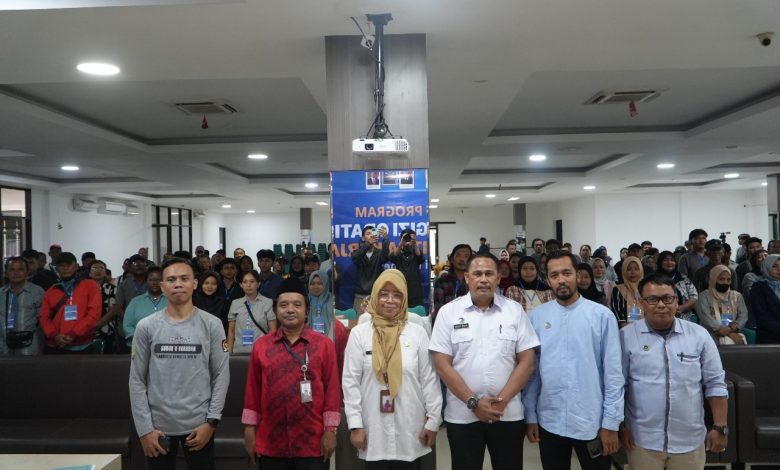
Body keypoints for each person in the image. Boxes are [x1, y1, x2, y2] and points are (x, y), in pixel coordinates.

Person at [429, 253, 539, 470]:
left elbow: (527, 361)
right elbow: (442, 364)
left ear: (498, 278)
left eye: (489, 274)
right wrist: (474, 403)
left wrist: (501, 401)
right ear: (467, 278)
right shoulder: (448, 313)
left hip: (507, 414)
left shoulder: (514, 311)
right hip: (462, 416)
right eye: (477, 274)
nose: (483, 279)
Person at [522, 251, 624, 470]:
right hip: (550, 419)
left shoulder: (601, 316)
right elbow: (532, 373)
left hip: (591, 420)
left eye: (566, 273)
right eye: (554, 275)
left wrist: (611, 422)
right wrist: (530, 415)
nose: (561, 280)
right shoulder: (537, 317)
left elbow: (614, 374)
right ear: (548, 279)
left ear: (577, 275)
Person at [129, 257, 229, 470]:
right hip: (157, 428)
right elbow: (136, 379)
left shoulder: (212, 324)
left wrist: (211, 422)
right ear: (162, 286)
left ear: (194, 283)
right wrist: (145, 430)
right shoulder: (146, 326)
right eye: (171, 279)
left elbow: (221, 375)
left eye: (184, 278)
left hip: (199, 425)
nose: (178, 284)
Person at [620, 274, 729, 468]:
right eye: (653, 299)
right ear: (641, 303)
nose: (661, 305)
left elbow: (715, 383)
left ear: (676, 301)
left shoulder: (698, 335)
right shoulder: (626, 337)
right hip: (642, 440)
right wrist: (619, 426)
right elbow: (618, 385)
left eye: (667, 298)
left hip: (689, 440)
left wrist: (720, 427)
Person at [343, 270, 442, 468]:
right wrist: (355, 425)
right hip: (373, 428)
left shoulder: (417, 333)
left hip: (410, 426)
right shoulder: (359, 334)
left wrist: (433, 421)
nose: (390, 300)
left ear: (404, 299)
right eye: (384, 294)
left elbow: (430, 380)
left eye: (397, 295)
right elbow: (350, 382)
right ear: (375, 296)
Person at [242, 278, 341, 469]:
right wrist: (249, 429)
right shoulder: (261, 346)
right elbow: (253, 391)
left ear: (307, 310)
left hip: (312, 441)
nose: (290, 310)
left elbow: (332, 391)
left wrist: (330, 430)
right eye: (283, 305)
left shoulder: (324, 345)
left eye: (297, 305)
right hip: (271, 441)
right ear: (275, 310)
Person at [39, 252, 102, 354]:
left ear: (76, 266)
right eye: (61, 265)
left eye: (68, 264)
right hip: (55, 345)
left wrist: (73, 334)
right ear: (57, 268)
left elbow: (94, 314)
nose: (65, 268)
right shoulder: (51, 290)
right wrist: (54, 335)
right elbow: (44, 317)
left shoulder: (90, 286)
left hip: (82, 346)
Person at [1, 257, 45, 356]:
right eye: (12, 270)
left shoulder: (37, 292)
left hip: (29, 348)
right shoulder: (1, 294)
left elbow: (43, 322)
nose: (16, 273)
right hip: (4, 349)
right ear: (6, 273)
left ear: (27, 272)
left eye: (20, 269)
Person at [694, 265, 748, 345]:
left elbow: (743, 315)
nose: (725, 282)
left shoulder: (736, 296)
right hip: (710, 334)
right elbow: (706, 318)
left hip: (734, 330)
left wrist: (731, 328)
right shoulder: (703, 296)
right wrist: (729, 333)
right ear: (713, 279)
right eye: (721, 279)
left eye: (728, 280)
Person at [227, 270, 275, 353]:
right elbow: (231, 332)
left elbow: (273, 331)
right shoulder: (235, 303)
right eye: (245, 282)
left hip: (261, 352)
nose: (248, 285)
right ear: (241, 285)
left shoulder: (267, 302)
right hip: (239, 352)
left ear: (258, 284)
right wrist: (228, 353)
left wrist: (271, 352)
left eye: (252, 281)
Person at [112, 253, 150, 352]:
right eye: (135, 263)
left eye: (142, 262)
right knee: (127, 359)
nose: (139, 265)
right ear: (129, 267)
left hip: (150, 329)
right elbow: (118, 308)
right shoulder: (123, 285)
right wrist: (129, 322)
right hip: (127, 331)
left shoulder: (152, 283)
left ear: (146, 265)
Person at [123, 267, 168, 348]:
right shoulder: (135, 301)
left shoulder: (171, 301)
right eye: (151, 280)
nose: (154, 283)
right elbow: (127, 326)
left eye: (158, 279)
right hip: (138, 346)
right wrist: (141, 339)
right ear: (146, 282)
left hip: (165, 346)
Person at [352, 226, 390, 311]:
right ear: (363, 238)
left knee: (377, 318)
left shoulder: (379, 253)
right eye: (368, 234)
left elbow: (385, 256)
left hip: (376, 294)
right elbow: (355, 259)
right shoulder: (356, 253)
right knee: (359, 318)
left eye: (372, 233)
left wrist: (385, 238)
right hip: (360, 295)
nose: (371, 236)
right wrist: (368, 243)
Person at [432, 244, 472, 321]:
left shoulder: (474, 282)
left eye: (466, 256)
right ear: (451, 260)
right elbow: (438, 310)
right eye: (458, 255)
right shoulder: (441, 282)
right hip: (448, 323)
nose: (462, 259)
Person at [655, 251, 698, 320]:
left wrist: (681, 308)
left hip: (685, 316)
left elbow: (694, 296)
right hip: (661, 316)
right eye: (665, 260)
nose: (669, 262)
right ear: (660, 262)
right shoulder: (654, 279)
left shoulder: (683, 278)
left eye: (672, 260)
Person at [748, 254, 780, 344]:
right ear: (767, 266)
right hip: (769, 338)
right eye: (775, 266)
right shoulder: (758, 287)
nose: (779, 269)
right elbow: (761, 315)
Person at [389, 228, 425, 309]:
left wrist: (414, 243)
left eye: (410, 238)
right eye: (406, 238)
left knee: (417, 313)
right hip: (400, 289)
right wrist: (401, 243)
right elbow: (392, 257)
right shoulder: (398, 253)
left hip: (415, 291)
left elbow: (420, 257)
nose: (408, 240)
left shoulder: (416, 252)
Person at [89, 259, 118, 353]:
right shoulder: (84, 288)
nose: (98, 270)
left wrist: (97, 324)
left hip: (106, 328)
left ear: (105, 272)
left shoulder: (112, 288)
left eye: (101, 268)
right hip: (86, 328)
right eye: (95, 268)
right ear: (89, 273)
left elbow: (113, 310)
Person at [611, 256, 644, 327]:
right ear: (624, 271)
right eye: (629, 269)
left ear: (641, 270)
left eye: (636, 269)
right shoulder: (618, 289)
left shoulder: (646, 289)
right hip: (624, 328)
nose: (633, 272)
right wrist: (626, 328)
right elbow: (617, 310)